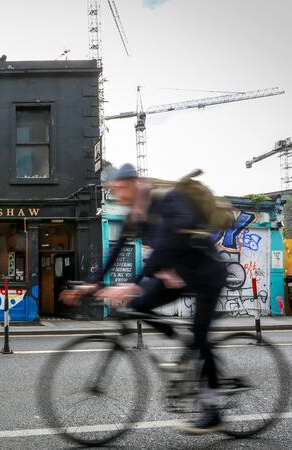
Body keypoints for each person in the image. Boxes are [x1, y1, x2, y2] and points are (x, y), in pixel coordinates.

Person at [93, 163, 228, 434]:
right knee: (138, 306)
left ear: (132, 183)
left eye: (118, 188)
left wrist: (133, 283)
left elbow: (168, 243)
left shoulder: (168, 199)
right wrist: (90, 283)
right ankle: (182, 344)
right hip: (176, 274)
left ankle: (213, 408)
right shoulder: (136, 214)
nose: (116, 194)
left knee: (200, 336)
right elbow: (117, 249)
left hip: (207, 273)